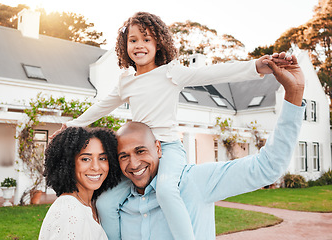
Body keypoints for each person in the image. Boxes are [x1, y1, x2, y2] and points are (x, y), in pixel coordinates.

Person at [50, 12, 293, 240]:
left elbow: (211, 74)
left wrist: (255, 67)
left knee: (166, 191)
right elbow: (103, 105)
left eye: (146, 39)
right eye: (133, 40)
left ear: (159, 44)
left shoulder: (170, 73)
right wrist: (71, 125)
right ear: (125, 46)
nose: (139, 45)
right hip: (138, 151)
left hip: (169, 149)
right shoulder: (126, 81)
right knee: (105, 202)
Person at [112, 55, 305, 239]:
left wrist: (294, 93)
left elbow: (267, 167)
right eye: (123, 156)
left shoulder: (194, 182)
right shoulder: (116, 202)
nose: (134, 163)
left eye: (140, 151)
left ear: (158, 148)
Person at [38, 127, 121, 240]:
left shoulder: (90, 204)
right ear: (68, 164)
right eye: (86, 159)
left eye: (102, 158)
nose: (96, 167)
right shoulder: (70, 211)